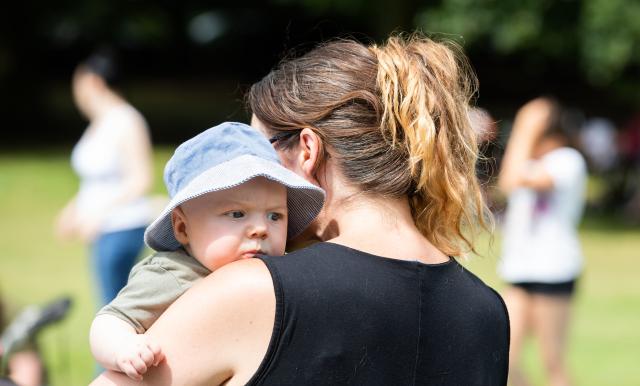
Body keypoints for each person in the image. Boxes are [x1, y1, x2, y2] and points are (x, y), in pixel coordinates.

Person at [92, 34, 510, 386]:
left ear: (307, 150)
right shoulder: (487, 311)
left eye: (261, 158)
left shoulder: (254, 290)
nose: (251, 180)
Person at [89, 122, 324, 380]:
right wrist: (124, 347)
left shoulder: (279, 273)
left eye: (275, 216)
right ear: (182, 228)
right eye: (237, 214)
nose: (260, 228)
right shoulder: (173, 274)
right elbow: (109, 321)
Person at [497, 97, 587, 386]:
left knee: (552, 360)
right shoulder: (531, 161)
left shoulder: (567, 160)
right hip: (520, 269)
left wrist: (524, 129)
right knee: (505, 360)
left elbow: (511, 179)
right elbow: (507, 180)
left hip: (554, 269)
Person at [55, 49, 154, 307]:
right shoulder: (99, 123)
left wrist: (100, 213)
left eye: (77, 84)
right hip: (101, 229)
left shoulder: (127, 121)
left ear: (93, 82)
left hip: (122, 226)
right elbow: (95, 180)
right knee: (108, 302)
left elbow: (140, 179)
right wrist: (74, 208)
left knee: (114, 306)